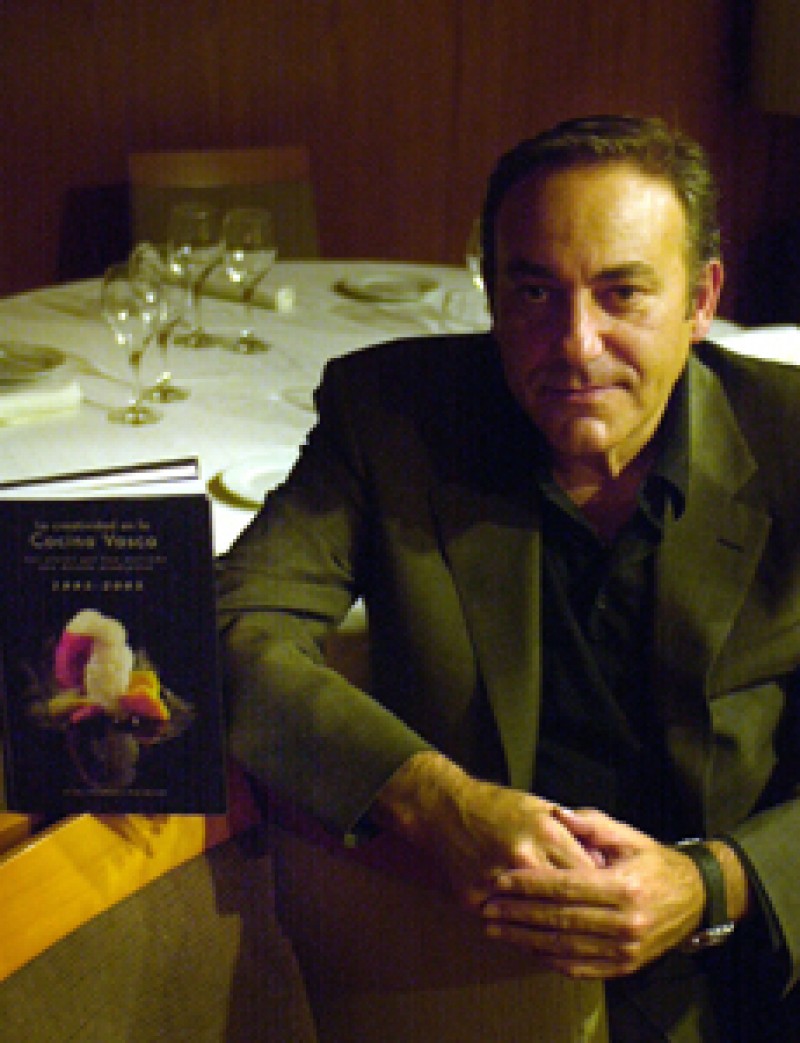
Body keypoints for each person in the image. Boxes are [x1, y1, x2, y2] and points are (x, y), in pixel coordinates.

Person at [217, 115, 800, 1041]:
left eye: (622, 294)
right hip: (469, 971)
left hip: (747, 975)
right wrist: (435, 799)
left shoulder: (789, 441)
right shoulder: (393, 418)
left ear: (701, 299)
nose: (575, 343)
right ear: (491, 293)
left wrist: (712, 882)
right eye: (535, 292)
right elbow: (233, 627)